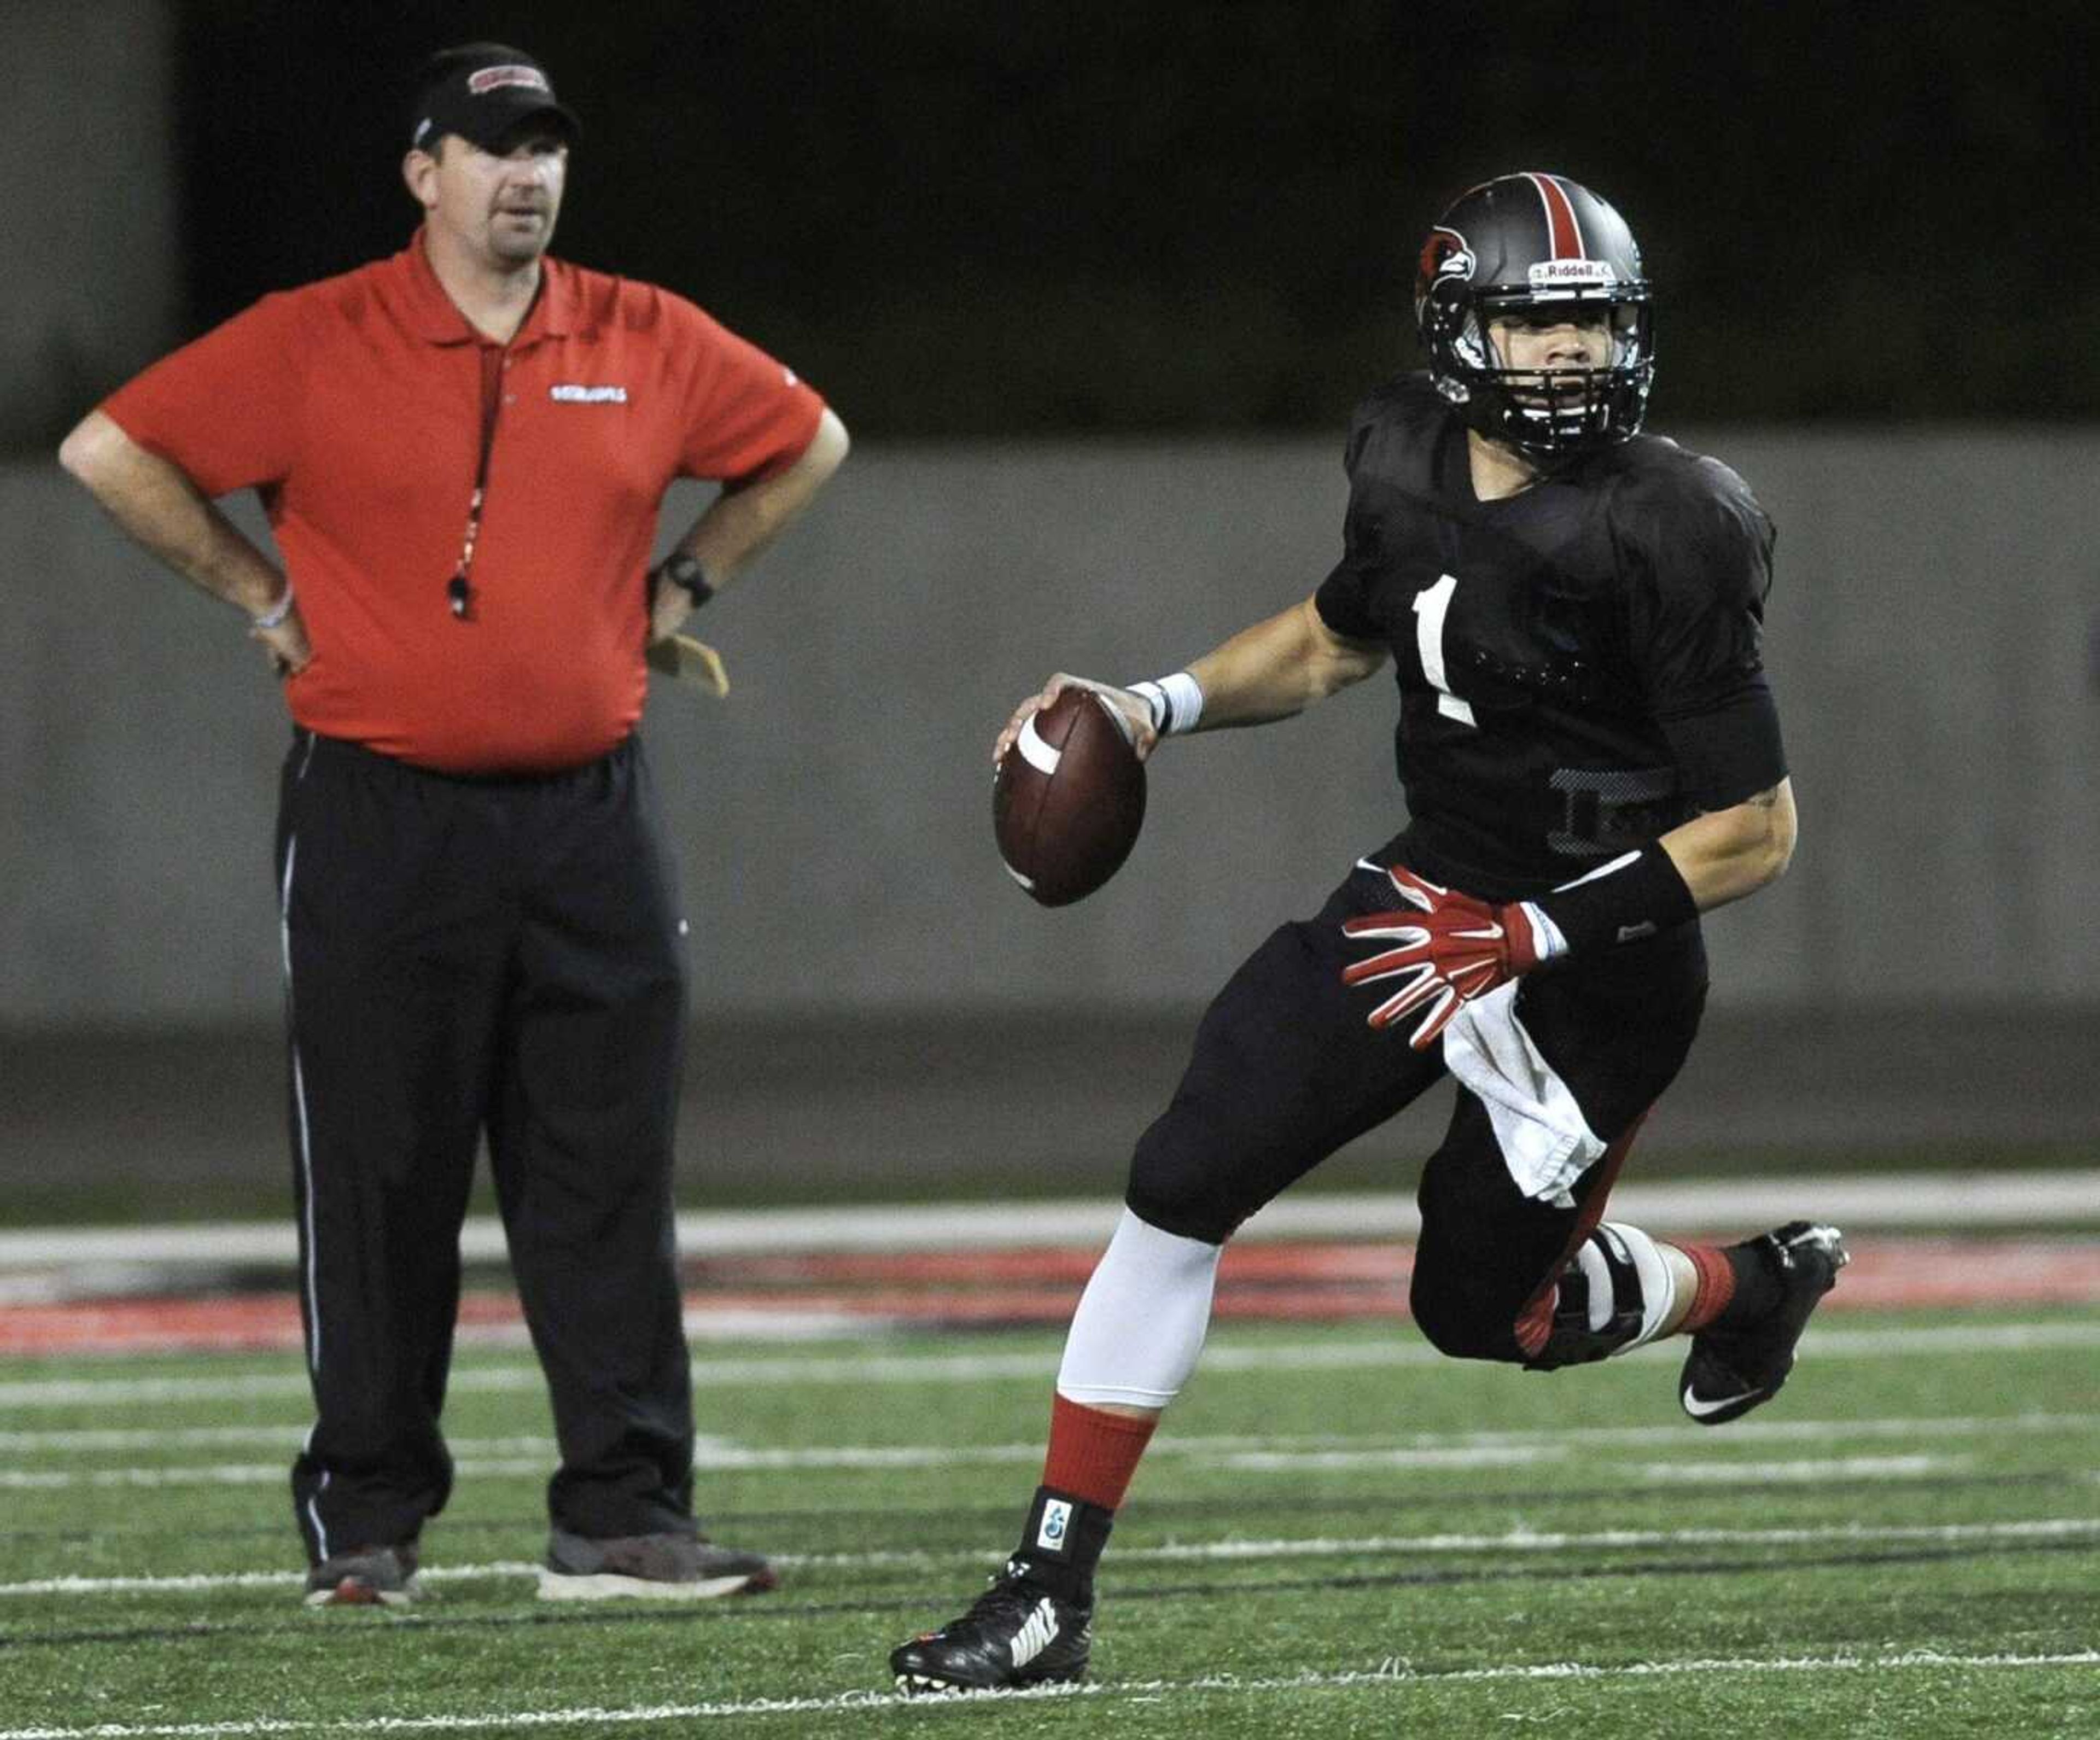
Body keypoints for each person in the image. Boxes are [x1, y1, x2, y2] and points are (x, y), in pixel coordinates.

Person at [888, 171, 1844, 1694]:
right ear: (1459, 333)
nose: (1574, 360)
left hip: (1595, 963)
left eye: (1597, 330)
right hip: (1428, 894)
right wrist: (1153, 707)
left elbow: (1754, 830)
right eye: (1540, 330)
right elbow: (1339, 636)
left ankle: (1747, 1289)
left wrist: (1530, 937)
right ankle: (1045, 1590)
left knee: (1483, 1315)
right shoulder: (1400, 449)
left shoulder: (1682, 523)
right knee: (1185, 1170)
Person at [59, 43, 849, 1607]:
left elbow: (805, 442)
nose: (528, 177)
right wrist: (259, 592)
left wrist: (676, 592)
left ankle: (621, 1515)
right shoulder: (317, 337)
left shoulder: (636, 330)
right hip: (380, 816)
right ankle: (366, 1525)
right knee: (379, 1169)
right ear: (423, 172)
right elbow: (109, 451)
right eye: (494, 150)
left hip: (588, 821)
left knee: (606, 1169)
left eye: (547, 148)